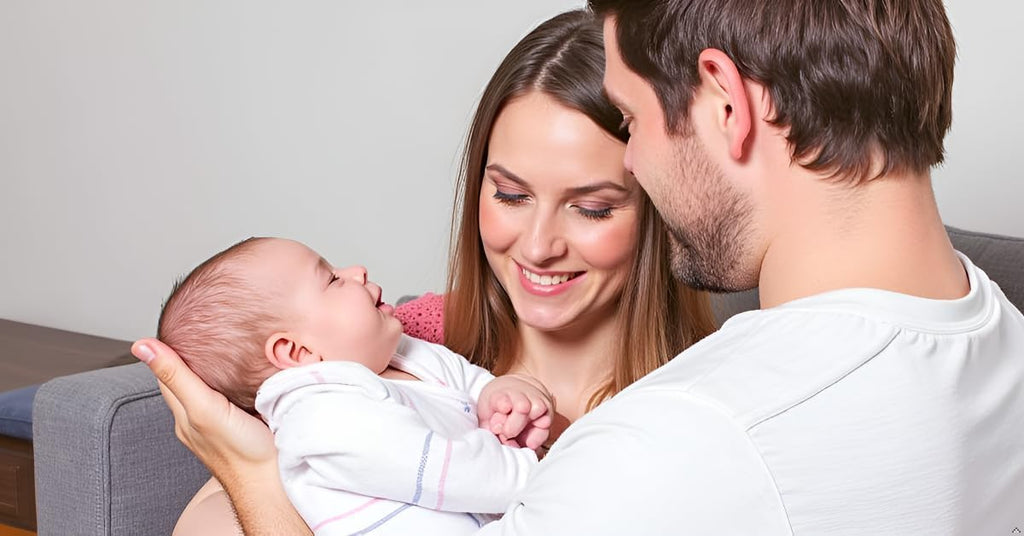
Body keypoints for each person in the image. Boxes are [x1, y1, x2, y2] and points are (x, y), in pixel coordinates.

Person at [134, 9, 717, 536]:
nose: (538, 247)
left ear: (660, 208)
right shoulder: (407, 340)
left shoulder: (700, 398)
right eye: (511, 195)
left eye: (591, 208)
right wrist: (253, 471)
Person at [158, 236, 553, 535]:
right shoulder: (320, 418)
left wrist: (500, 392)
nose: (357, 271)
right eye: (332, 279)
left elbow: (466, 378)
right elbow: (436, 467)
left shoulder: (403, 351)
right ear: (295, 351)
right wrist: (541, 474)